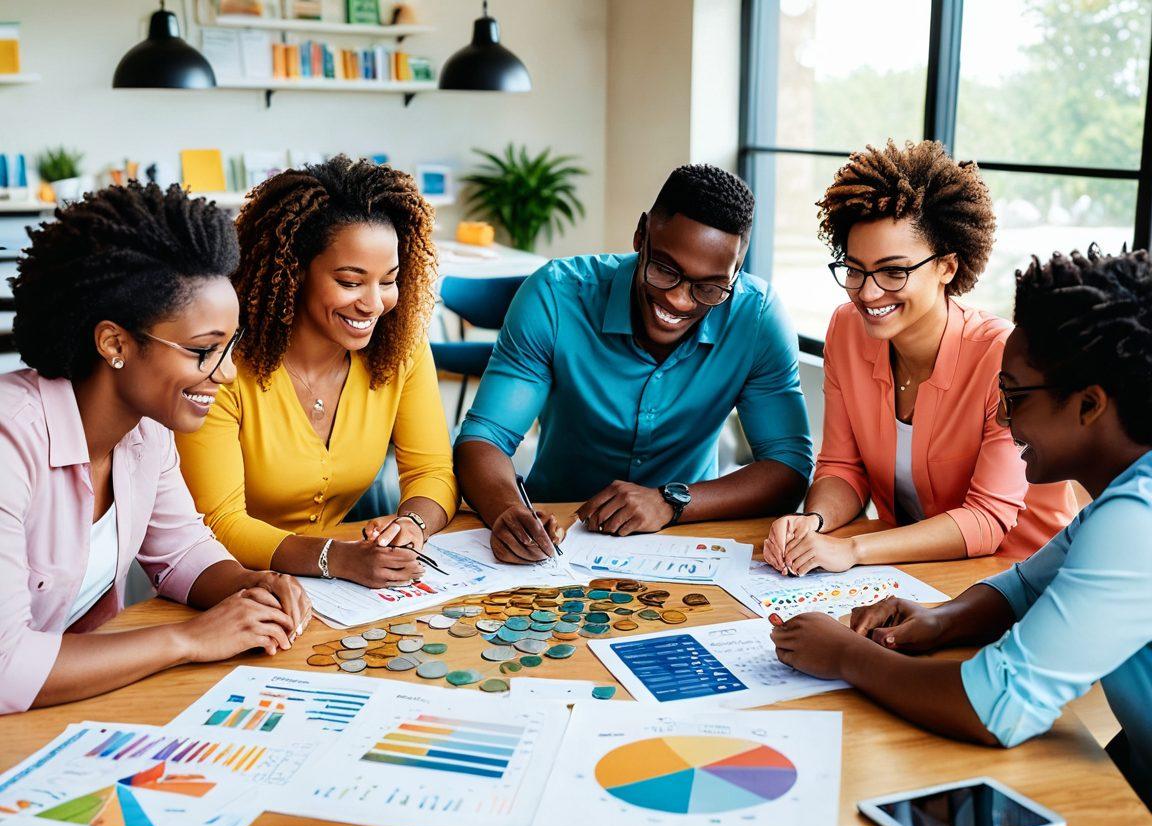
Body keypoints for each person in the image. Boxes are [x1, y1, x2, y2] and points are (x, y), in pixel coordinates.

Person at [770, 247, 1152, 809]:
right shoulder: (1120, 499)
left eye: (1015, 397)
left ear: (1090, 405)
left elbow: (995, 706)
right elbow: (1023, 586)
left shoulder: (1136, 520)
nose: (999, 417)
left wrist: (846, 657)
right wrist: (940, 621)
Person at [1, 182, 312, 714]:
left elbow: (182, 552)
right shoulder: (10, 441)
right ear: (115, 343)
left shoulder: (146, 431)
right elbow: (6, 668)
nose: (229, 373)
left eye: (229, 346)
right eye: (202, 351)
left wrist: (249, 585)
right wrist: (190, 640)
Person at [454, 163, 813, 564]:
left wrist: (672, 502)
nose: (679, 300)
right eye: (665, 270)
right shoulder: (555, 295)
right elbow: (483, 437)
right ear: (641, 234)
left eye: (709, 287)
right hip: (554, 535)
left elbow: (788, 466)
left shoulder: (757, 318)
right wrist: (506, 510)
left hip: (690, 537)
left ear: (735, 273)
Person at [764, 140, 1076, 575]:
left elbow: (987, 519)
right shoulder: (847, 331)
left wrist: (852, 549)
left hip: (1019, 576)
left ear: (947, 267)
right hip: (911, 571)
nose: (868, 293)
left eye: (894, 272)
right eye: (855, 269)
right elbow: (842, 467)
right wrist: (813, 524)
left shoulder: (1002, 357)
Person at [176, 156, 459, 589]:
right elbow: (219, 521)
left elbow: (433, 471)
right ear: (293, 273)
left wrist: (413, 524)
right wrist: (335, 558)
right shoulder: (222, 368)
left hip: (339, 586)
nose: (373, 303)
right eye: (350, 282)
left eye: (388, 280)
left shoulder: (401, 352)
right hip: (227, 583)